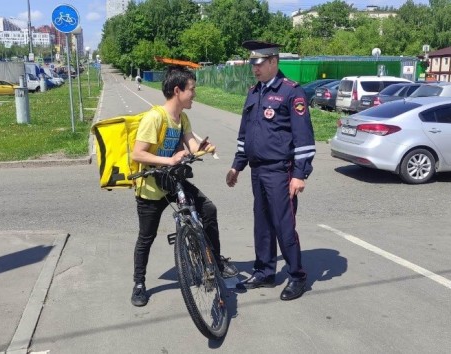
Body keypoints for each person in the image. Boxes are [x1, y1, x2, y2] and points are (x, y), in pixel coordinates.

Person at [130, 66, 238, 307]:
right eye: (192, 89)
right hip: (150, 187)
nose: (195, 94)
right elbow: (138, 154)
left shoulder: (183, 118)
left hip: (171, 181)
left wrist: (203, 149)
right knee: (146, 237)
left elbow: (190, 145)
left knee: (208, 210)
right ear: (177, 91)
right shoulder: (155, 118)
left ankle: (216, 262)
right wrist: (168, 159)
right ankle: (139, 283)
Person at [226, 40, 315, 301]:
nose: (255, 69)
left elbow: (304, 139)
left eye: (259, 64)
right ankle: (265, 271)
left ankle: (297, 276)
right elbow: (245, 135)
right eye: (253, 64)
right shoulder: (254, 92)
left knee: (283, 225)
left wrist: (300, 174)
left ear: (274, 62)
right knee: (262, 225)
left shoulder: (291, 93)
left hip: (280, 171)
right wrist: (236, 166)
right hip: (257, 170)